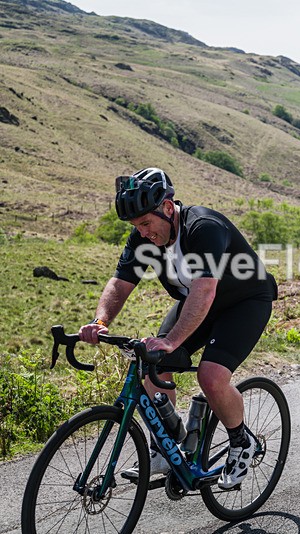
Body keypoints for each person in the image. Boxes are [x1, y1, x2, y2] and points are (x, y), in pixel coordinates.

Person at [78, 167, 278, 489]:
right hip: (198, 303)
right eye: (135, 226)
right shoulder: (144, 238)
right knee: (152, 368)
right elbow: (121, 283)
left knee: (211, 376)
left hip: (245, 301)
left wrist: (171, 340)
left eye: (145, 223)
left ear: (168, 208)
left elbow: (205, 290)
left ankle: (242, 442)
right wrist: (100, 322)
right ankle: (168, 445)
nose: (142, 232)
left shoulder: (203, 227)